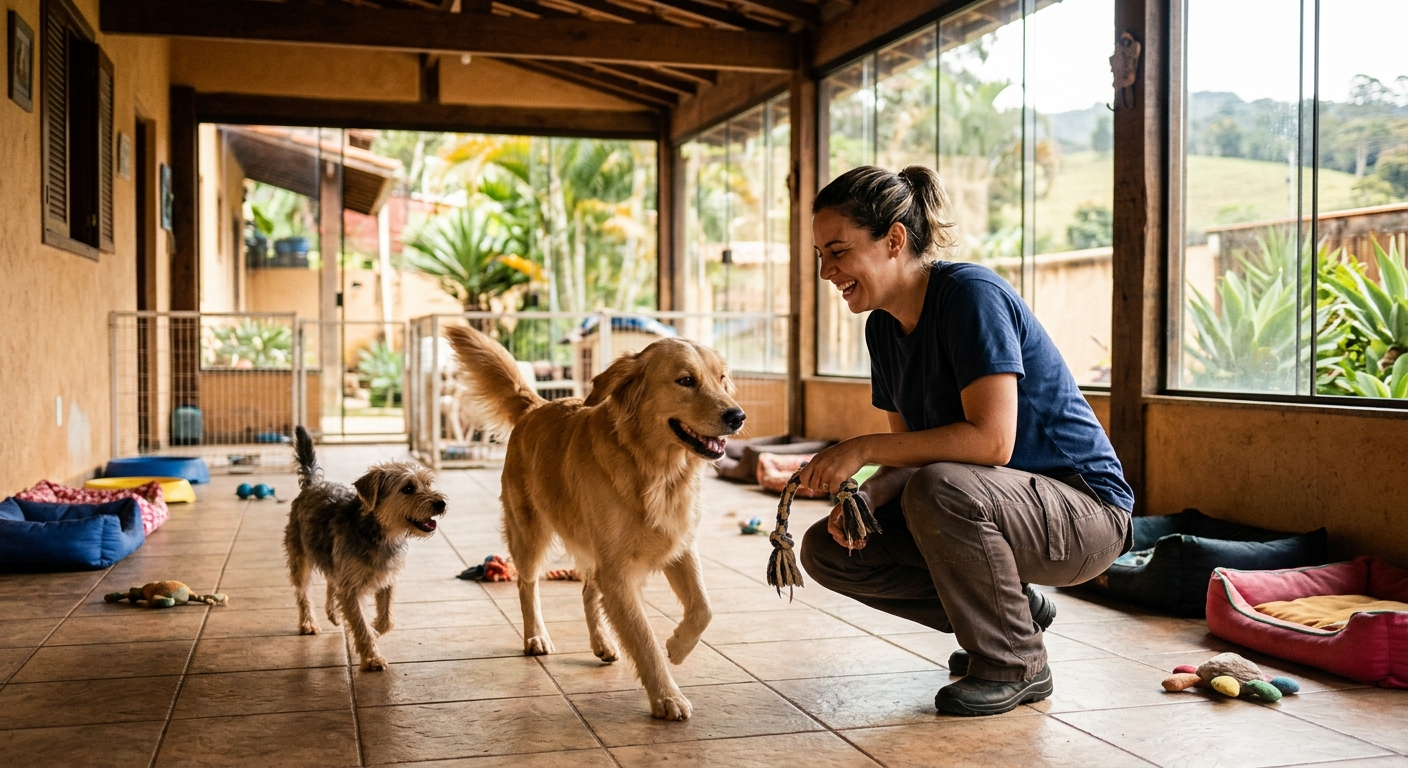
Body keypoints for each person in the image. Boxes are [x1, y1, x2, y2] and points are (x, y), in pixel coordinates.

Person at [797, 165, 1134, 717]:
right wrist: (865, 497)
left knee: (941, 486)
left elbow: (992, 442)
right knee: (829, 551)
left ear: (894, 240)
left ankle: (1014, 663)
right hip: (993, 508)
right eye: (820, 255)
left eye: (837, 251)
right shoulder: (882, 328)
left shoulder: (970, 295)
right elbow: (911, 456)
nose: (825, 271)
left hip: (1086, 514)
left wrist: (859, 449)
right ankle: (1011, 617)